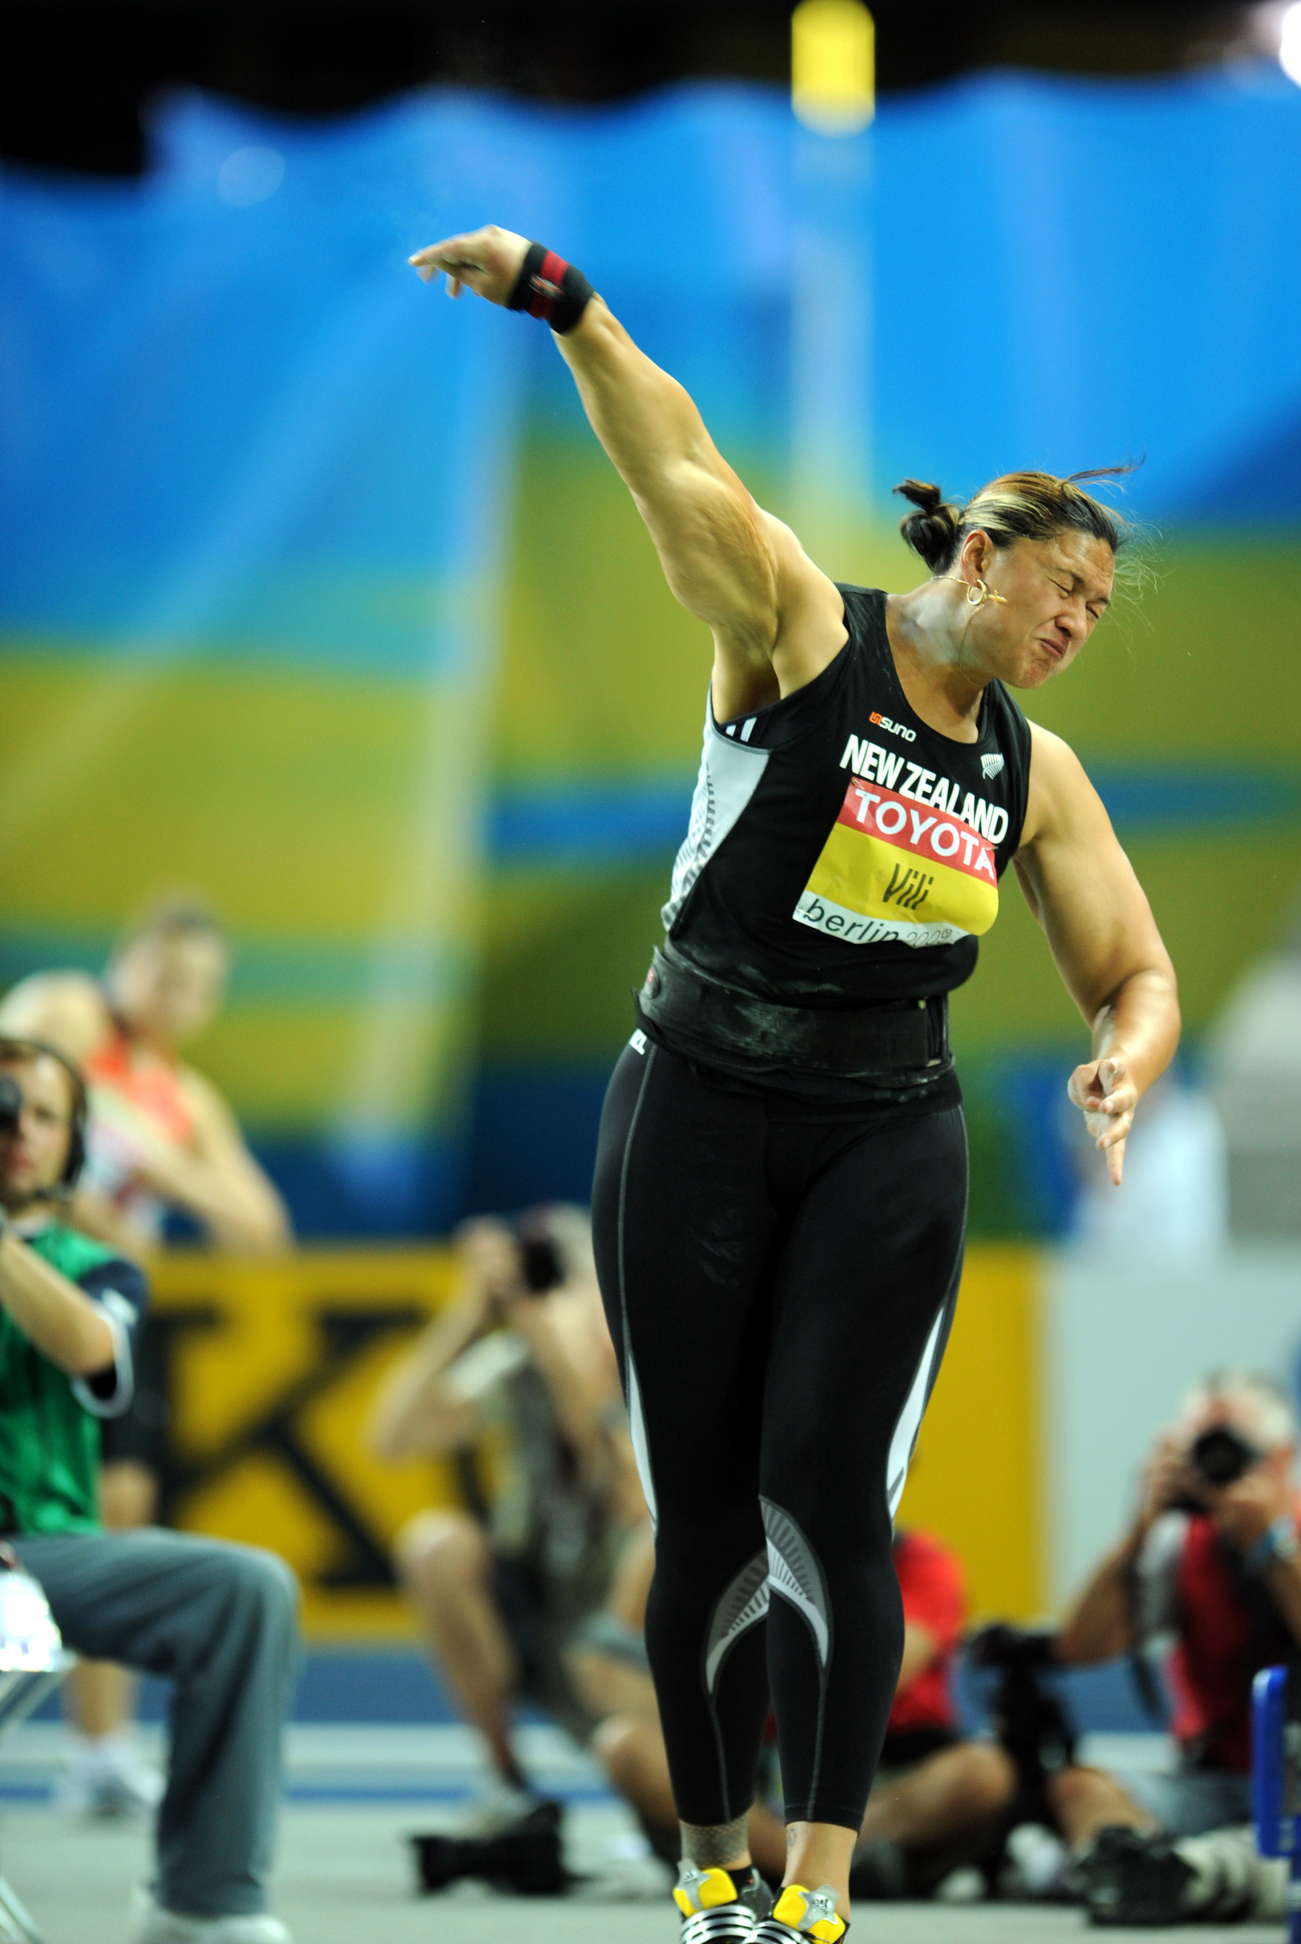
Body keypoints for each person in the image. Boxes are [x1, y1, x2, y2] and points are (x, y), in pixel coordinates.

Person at [409, 224, 1181, 1943]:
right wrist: (566, 303)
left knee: (829, 1500)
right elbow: (675, 459)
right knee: (704, 1516)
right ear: (980, 552)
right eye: (1063, 589)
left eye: (1098, 612)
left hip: (884, 1134)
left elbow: (1134, 970)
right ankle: (713, 1868)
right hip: (692, 1099)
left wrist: (1122, 1063)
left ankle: (818, 1892)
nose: (1077, 625)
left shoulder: (1034, 772)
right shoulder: (796, 627)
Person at [0, 1036, 299, 1944]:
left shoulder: (98, 1267)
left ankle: (203, 1902)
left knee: (246, 1589)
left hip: (42, 1560)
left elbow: (89, 1349)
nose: (19, 1131)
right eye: (4, 1110)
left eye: (44, 1115)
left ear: (73, 1145)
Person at [1048, 1369, 1301, 1926]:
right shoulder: (1181, 1543)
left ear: (1285, 1458)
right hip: (1212, 1777)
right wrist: (1140, 1529)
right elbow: (1083, 1648)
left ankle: (1197, 1874)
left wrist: (1276, 1547)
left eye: (1233, 1450)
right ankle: (1147, 1869)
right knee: (1082, 1785)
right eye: (1200, 1451)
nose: (1215, 1468)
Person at [368, 1206, 650, 1884]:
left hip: (637, 1643)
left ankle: (676, 1803)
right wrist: (467, 1316)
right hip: (545, 1615)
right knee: (435, 1544)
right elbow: (393, 1439)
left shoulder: (654, 1364)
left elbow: (626, 1494)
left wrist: (566, 1358)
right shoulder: (516, 1365)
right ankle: (509, 1784)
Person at [592, 1525, 1019, 1898]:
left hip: (885, 1767)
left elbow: (883, 1671)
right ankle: (813, 1870)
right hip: (750, 1768)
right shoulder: (725, 1549)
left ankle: (812, 1864)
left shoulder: (917, 1559)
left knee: (983, 1772)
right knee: (625, 1745)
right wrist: (668, 1532)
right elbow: (617, 1666)